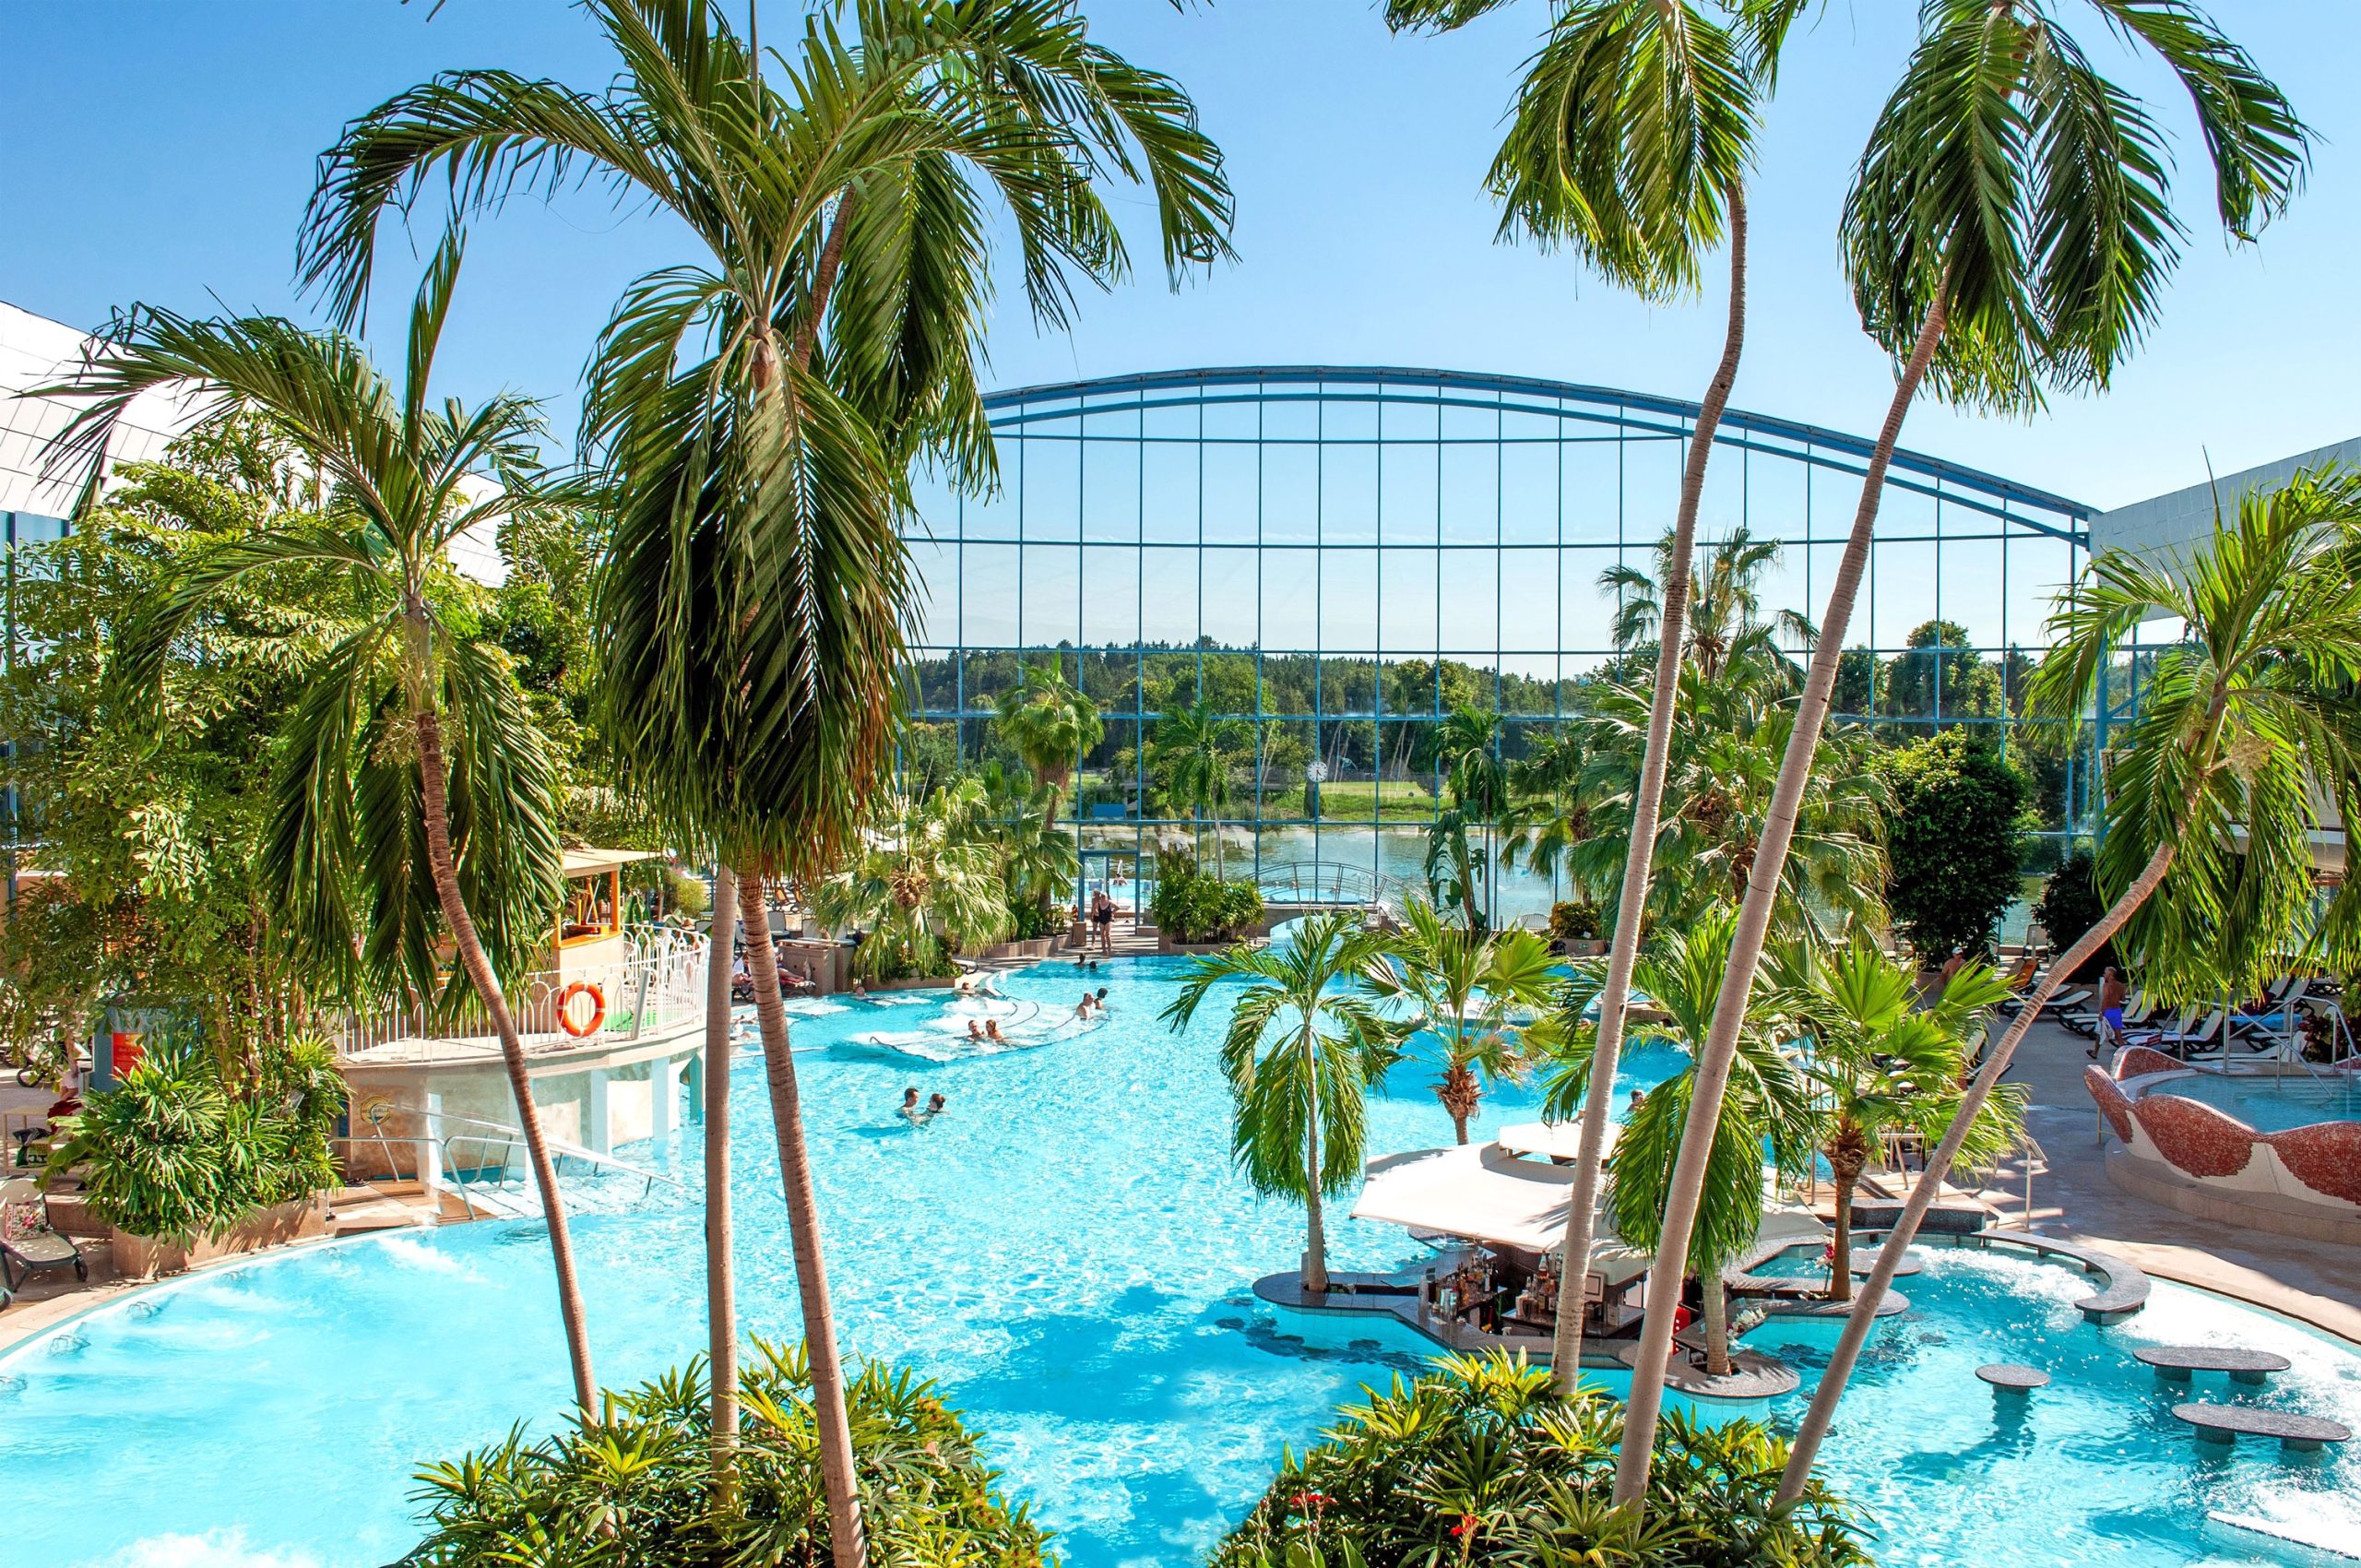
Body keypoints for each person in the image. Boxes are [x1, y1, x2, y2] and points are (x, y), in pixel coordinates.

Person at [2093, 965, 2128, 1060]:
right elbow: (2123, 998)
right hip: (2117, 1011)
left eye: (2105, 972)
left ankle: (2095, 1052)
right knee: (2118, 1034)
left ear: (2110, 974)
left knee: (2100, 1032)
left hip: (2108, 1011)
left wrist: (2101, 1012)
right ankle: (2124, 1056)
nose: (2104, 974)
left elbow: (2106, 999)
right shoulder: (2121, 985)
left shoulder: (2107, 985)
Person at [1092, 886, 1115, 955]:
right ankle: (1097, 946)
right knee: (1097, 931)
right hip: (1099, 916)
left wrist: (1112, 912)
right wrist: (1094, 913)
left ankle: (1109, 948)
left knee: (1107, 934)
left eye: (1096, 894)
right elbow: (1093, 907)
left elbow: (1114, 907)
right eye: (1094, 894)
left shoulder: (1105, 900)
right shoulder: (1095, 900)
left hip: (1106, 918)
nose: (1095, 895)